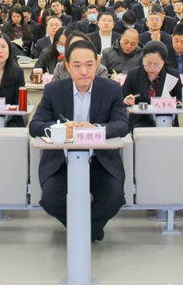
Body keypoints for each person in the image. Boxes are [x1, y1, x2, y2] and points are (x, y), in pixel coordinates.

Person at [29, 40, 129, 242]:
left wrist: (97, 129)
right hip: (61, 162)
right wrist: (59, 129)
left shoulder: (111, 89)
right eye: (77, 65)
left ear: (97, 64)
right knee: (50, 201)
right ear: (67, 66)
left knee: (114, 199)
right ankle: (91, 230)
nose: (83, 71)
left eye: (89, 65)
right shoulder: (53, 90)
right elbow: (35, 125)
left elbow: (122, 125)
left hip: (100, 160)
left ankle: (84, 231)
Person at [122, 41, 183, 130]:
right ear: (143, 59)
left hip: (166, 119)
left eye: (156, 64)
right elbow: (122, 95)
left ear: (163, 61)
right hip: (140, 121)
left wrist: (177, 101)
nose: (152, 67)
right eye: (148, 63)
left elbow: (181, 98)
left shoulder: (173, 75)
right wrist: (126, 99)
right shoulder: (133, 74)